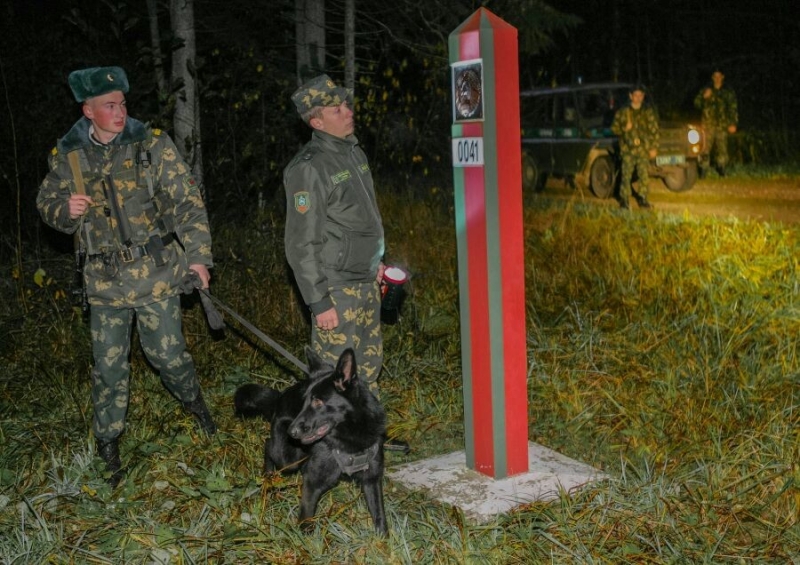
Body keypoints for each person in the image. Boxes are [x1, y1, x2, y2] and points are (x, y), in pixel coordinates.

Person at [36, 66, 216, 486]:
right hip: (103, 281)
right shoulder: (69, 157)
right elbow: (46, 202)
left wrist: (199, 259)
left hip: (155, 274)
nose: (120, 112)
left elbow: (187, 203)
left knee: (168, 356)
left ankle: (195, 403)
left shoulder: (151, 146)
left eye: (122, 104)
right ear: (88, 111)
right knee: (109, 367)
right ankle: (108, 441)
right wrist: (65, 211)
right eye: (109, 106)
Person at [283, 75, 408, 452]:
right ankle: (330, 452)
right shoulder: (309, 167)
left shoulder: (353, 152)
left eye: (346, 105)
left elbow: (361, 219)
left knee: (368, 369)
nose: (347, 112)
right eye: (336, 109)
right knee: (333, 381)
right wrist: (318, 302)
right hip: (336, 289)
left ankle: (368, 440)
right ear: (316, 121)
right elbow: (300, 242)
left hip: (365, 281)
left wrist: (377, 264)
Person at [611, 84, 660, 209]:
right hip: (628, 150)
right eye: (635, 95)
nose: (638, 98)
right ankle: (624, 200)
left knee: (643, 175)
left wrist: (654, 147)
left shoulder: (647, 112)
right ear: (630, 96)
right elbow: (613, 129)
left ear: (643, 97)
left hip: (643, 149)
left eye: (640, 95)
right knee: (626, 176)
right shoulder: (623, 112)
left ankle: (643, 199)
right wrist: (624, 128)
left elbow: (654, 130)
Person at [694, 69, 738, 177]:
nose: (717, 78)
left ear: (723, 77)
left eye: (719, 76)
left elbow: (733, 108)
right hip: (707, 125)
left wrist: (733, 123)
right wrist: (704, 97)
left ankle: (721, 169)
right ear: (712, 77)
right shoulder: (706, 89)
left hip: (722, 125)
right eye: (715, 76)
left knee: (722, 149)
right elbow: (696, 104)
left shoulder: (728, 91)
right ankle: (703, 170)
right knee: (704, 149)